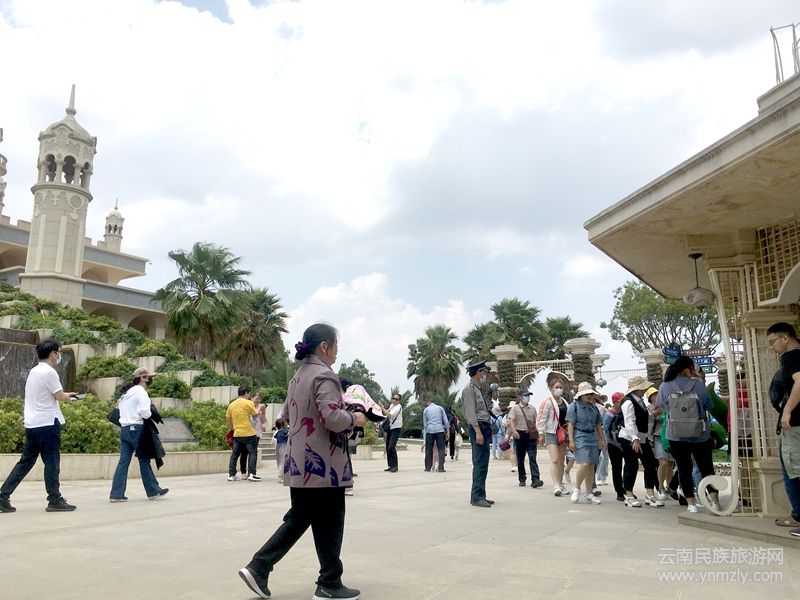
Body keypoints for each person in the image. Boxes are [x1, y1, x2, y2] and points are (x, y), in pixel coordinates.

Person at [239, 323, 365, 600]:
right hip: (324, 465)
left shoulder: (297, 377)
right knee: (330, 521)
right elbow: (332, 418)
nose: (337, 351)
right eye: (336, 345)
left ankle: (261, 567)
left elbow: (285, 416)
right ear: (324, 346)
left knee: (301, 517)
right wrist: (354, 418)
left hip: (299, 463)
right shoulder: (325, 376)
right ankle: (327, 583)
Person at [0, 339, 79, 513]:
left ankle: (2, 496)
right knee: (51, 462)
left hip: (33, 423)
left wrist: (65, 395)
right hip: (47, 423)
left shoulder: (34, 371)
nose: (59, 356)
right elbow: (59, 396)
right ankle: (54, 500)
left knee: (25, 462)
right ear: (53, 354)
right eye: (58, 352)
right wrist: (69, 396)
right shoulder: (50, 372)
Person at [656, 356, 720, 514]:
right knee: (706, 468)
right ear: (687, 369)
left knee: (684, 468)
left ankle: (691, 504)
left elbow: (662, 406)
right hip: (700, 435)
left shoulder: (665, 386)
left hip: (675, 435)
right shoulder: (699, 385)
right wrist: (699, 379)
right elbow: (708, 405)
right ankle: (715, 502)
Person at [109, 367, 169, 502]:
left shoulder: (125, 394)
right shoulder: (141, 392)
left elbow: (119, 413)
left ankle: (116, 494)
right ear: (142, 378)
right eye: (148, 377)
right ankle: (153, 490)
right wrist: (150, 408)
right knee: (144, 459)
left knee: (123, 462)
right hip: (137, 429)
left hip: (125, 429)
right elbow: (145, 413)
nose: (150, 380)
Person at [766, 322, 800, 537]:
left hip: (796, 425)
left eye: (773, 342)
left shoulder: (790, 356)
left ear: (785, 338)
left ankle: (798, 516)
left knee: (794, 472)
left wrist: (787, 411)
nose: (772, 347)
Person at [618, 376, 664, 508]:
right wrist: (635, 439)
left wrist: (653, 415)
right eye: (643, 387)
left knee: (650, 464)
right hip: (629, 438)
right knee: (631, 465)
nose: (645, 389)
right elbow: (629, 422)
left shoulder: (640, 401)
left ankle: (650, 494)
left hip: (641, 438)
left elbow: (641, 418)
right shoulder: (628, 402)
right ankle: (628, 494)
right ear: (636, 388)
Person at [461, 360, 495, 508]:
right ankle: (476, 497)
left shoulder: (478, 388)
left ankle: (481, 494)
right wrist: (478, 432)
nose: (485, 375)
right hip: (478, 428)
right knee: (479, 463)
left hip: (484, 427)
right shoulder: (469, 389)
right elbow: (470, 413)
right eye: (484, 372)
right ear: (478, 372)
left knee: (483, 463)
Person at [566, 382, 606, 505]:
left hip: (592, 436)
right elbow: (570, 424)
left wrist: (602, 439)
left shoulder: (594, 407)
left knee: (591, 465)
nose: (589, 396)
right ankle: (577, 488)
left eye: (590, 393)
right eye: (586, 394)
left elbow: (598, 425)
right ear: (580, 395)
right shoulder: (574, 406)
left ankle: (589, 493)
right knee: (585, 463)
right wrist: (571, 440)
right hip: (580, 436)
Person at [536, 377, 569, 497]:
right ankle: (555, 485)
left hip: (563, 433)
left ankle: (560, 483)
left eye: (560, 387)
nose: (559, 389)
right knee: (554, 459)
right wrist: (540, 433)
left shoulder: (565, 402)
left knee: (561, 460)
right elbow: (541, 418)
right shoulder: (547, 402)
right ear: (551, 389)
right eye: (556, 387)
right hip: (551, 433)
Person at [507, 389, 543, 488]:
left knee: (532, 458)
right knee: (520, 458)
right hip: (519, 435)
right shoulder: (515, 408)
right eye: (525, 395)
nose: (528, 397)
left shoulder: (532, 408)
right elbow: (511, 421)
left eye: (528, 395)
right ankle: (522, 478)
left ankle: (535, 479)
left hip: (531, 436)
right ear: (520, 397)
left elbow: (536, 422)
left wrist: (539, 435)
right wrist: (514, 431)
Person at [227, 386, 261, 482]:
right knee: (253, 453)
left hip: (237, 434)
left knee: (235, 454)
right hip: (249, 433)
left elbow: (228, 419)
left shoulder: (232, 405)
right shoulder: (249, 403)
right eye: (249, 393)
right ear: (246, 392)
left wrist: (231, 429)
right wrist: (258, 412)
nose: (249, 395)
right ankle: (252, 474)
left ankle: (231, 475)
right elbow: (254, 415)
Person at [646, 386, 673, 499]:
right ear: (650, 398)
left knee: (670, 464)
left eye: (657, 394)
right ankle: (660, 487)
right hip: (658, 437)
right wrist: (654, 415)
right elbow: (647, 423)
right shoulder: (649, 408)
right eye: (653, 395)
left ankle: (670, 487)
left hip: (670, 436)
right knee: (663, 462)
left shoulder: (667, 404)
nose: (656, 396)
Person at [603, 392, 626, 502]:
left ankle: (626, 488)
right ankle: (619, 491)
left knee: (627, 467)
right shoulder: (609, 415)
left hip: (624, 443)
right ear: (615, 402)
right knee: (617, 468)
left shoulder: (624, 413)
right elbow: (606, 431)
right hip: (613, 445)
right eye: (621, 401)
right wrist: (612, 443)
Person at [422, 396, 449, 472]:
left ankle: (428, 467)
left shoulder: (426, 410)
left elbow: (425, 423)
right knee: (441, 449)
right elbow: (446, 421)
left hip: (430, 430)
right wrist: (447, 431)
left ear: (428, 402)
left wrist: (426, 432)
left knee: (428, 449)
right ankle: (441, 467)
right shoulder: (440, 408)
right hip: (440, 430)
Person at [380, 393, 403, 473]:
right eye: (393, 398)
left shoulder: (398, 407)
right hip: (390, 427)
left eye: (396, 399)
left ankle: (395, 466)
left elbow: (390, 415)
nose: (394, 400)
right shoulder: (391, 406)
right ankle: (390, 465)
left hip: (396, 428)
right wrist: (382, 409)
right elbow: (386, 413)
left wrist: (382, 408)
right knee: (388, 447)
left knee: (391, 447)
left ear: (399, 400)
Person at [273, 418, 289, 482]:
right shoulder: (285, 431)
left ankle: (281, 475)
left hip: (278, 447)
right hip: (284, 446)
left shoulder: (278, 432)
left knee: (280, 461)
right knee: (283, 461)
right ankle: (281, 475)